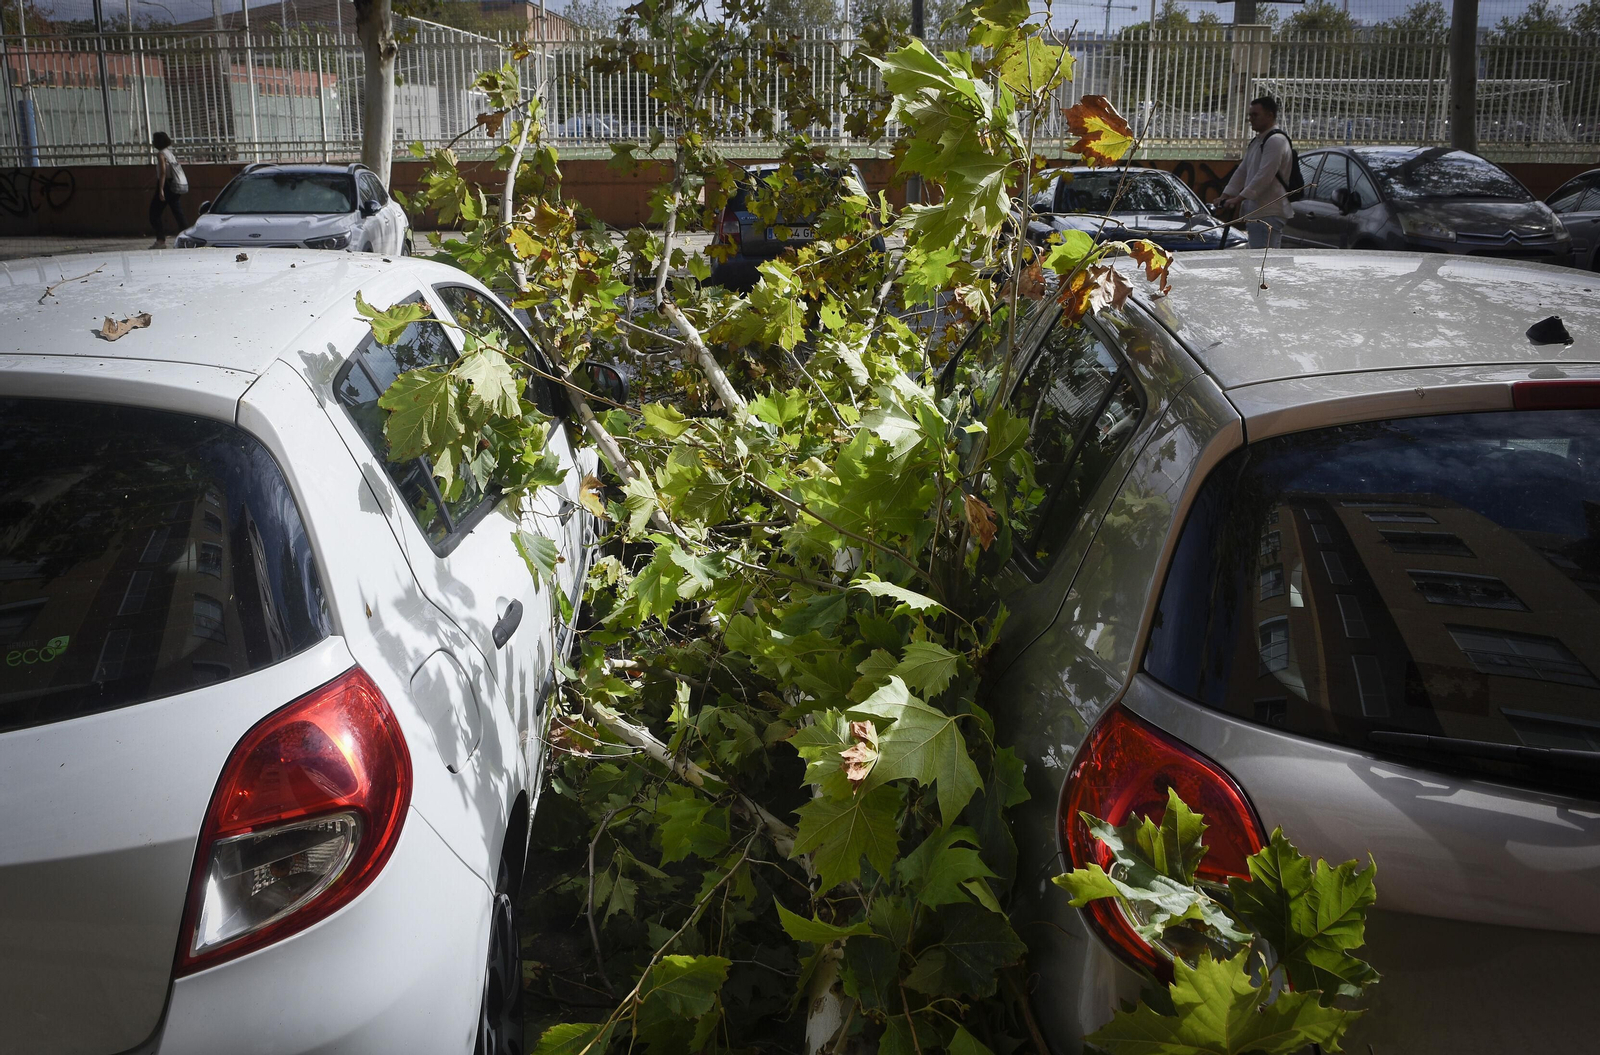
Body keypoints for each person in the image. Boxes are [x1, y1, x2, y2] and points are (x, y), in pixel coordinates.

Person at [1219, 97, 1293, 249]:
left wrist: (1238, 198)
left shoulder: (1275, 141)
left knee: (1263, 263)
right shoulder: (1258, 141)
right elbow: (1242, 171)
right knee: (1257, 259)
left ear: (1270, 115)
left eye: (1255, 115)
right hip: (1257, 212)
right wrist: (1226, 195)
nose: (1251, 119)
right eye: (1250, 115)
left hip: (1268, 212)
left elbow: (1264, 175)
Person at [149, 132, 188, 249]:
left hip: (166, 185)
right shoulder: (169, 153)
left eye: (154, 140)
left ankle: (160, 241)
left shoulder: (161, 154)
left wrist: (160, 189)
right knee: (178, 212)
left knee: (154, 213)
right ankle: (187, 237)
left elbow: (163, 173)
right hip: (174, 185)